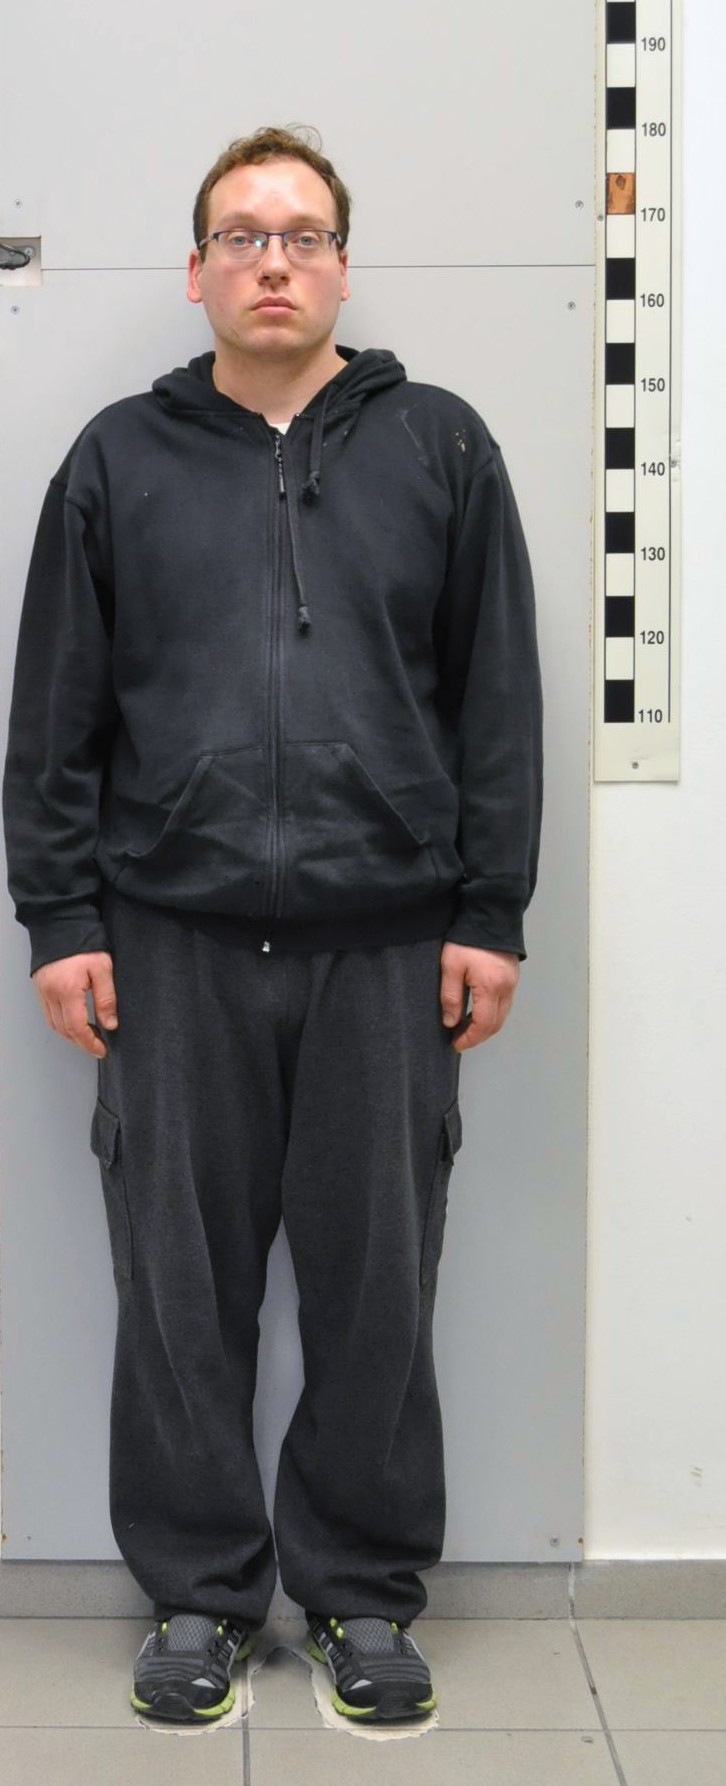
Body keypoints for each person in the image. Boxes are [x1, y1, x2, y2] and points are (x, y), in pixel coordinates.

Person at [2, 124, 543, 1726]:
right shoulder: (117, 460)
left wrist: (489, 909)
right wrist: (59, 914)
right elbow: (55, 716)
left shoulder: (440, 446)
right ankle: (199, 1594)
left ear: (340, 266)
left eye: (301, 234)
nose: (273, 260)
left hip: (390, 947)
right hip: (167, 946)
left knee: (378, 1282)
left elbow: (496, 702)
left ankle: (362, 1593)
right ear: (197, 273)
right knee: (180, 1289)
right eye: (241, 235)